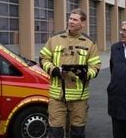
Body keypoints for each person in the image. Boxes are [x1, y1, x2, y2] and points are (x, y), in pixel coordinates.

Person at [39, 8, 101, 138]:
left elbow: (96, 66)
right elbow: (43, 58)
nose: (71, 22)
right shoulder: (55, 39)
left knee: (77, 133)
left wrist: (86, 74)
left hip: (79, 99)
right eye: (70, 18)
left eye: (75, 19)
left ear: (83, 23)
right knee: (56, 133)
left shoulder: (90, 43)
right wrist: (55, 70)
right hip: (57, 97)